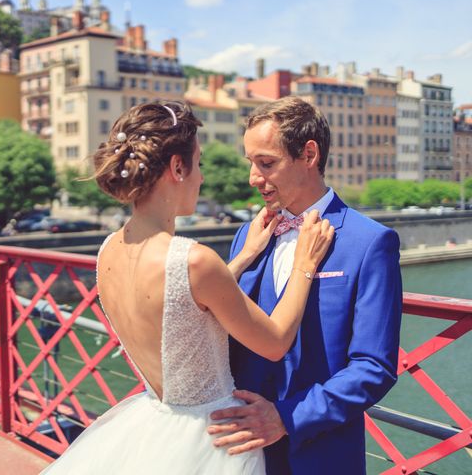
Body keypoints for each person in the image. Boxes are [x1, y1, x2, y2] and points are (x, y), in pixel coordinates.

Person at [41, 101, 334, 474]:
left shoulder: (109, 251)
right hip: (211, 439)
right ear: (177, 167)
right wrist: (304, 266)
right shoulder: (194, 260)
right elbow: (275, 343)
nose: (201, 177)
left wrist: (242, 259)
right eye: (199, 164)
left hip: (154, 424)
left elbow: (183, 305)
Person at [208, 97, 403, 474]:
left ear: (309, 154)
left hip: (319, 453)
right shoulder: (248, 235)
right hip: (239, 453)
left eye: (266, 163)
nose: (252, 177)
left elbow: (374, 366)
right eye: (251, 162)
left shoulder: (370, 242)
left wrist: (284, 418)